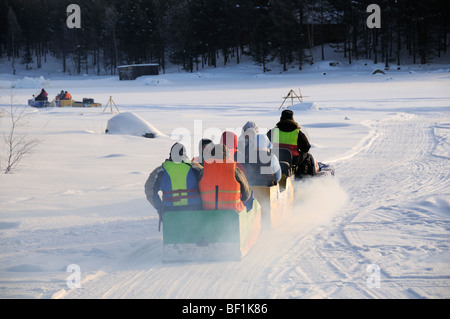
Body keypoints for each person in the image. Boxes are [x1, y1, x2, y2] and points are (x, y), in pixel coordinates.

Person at [145, 143, 203, 228]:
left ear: (171, 154)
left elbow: (149, 189)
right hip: (195, 209)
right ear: (185, 154)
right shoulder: (195, 168)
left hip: (170, 211)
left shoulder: (160, 170)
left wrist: (159, 207)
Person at [198, 144, 251, 211]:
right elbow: (246, 195)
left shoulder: (203, 171)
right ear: (228, 156)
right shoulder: (235, 171)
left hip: (208, 213)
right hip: (233, 213)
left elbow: (198, 193)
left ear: (211, 155)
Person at [267, 109, 315, 176]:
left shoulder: (273, 131)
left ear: (281, 118)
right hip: (293, 159)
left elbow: (265, 143)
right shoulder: (297, 132)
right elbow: (306, 148)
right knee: (307, 156)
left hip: (276, 157)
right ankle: (302, 178)